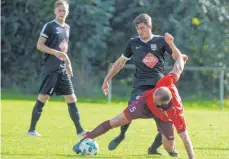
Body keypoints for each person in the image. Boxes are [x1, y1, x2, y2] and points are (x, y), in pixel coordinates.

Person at [73, 55, 195, 159]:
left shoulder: (176, 113)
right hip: (143, 104)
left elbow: (186, 139)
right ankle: (84, 140)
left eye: (155, 100)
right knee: (116, 121)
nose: (153, 98)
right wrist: (181, 57)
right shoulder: (165, 82)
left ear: (163, 103)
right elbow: (177, 68)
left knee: (169, 148)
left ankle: (153, 149)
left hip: (164, 117)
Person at [102, 13, 183, 155]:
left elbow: (177, 57)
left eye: (143, 28)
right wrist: (107, 79)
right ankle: (122, 135)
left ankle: (153, 149)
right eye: (138, 29)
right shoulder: (133, 43)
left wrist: (171, 43)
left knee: (167, 117)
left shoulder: (161, 41)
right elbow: (120, 63)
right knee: (130, 109)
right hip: (140, 87)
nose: (140, 31)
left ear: (150, 27)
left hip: (159, 87)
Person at [26, 0, 86, 138]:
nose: (62, 13)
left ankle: (80, 131)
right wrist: (54, 52)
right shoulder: (49, 26)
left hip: (62, 69)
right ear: (55, 11)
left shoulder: (67, 28)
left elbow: (63, 48)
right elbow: (39, 45)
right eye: (59, 10)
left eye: (64, 10)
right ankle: (31, 130)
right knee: (43, 97)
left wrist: (68, 63)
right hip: (50, 69)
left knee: (71, 98)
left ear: (68, 12)